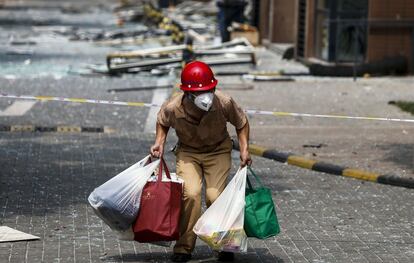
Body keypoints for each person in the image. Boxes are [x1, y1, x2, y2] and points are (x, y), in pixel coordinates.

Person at [150, 60, 252, 262]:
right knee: (191, 194)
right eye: (199, 92)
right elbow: (162, 121)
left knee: (215, 197)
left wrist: (244, 149)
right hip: (188, 153)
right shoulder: (173, 107)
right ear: (187, 93)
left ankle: (223, 245)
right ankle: (183, 247)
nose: (205, 96)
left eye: (209, 90)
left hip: (218, 152)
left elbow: (242, 123)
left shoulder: (223, 101)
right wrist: (159, 142)